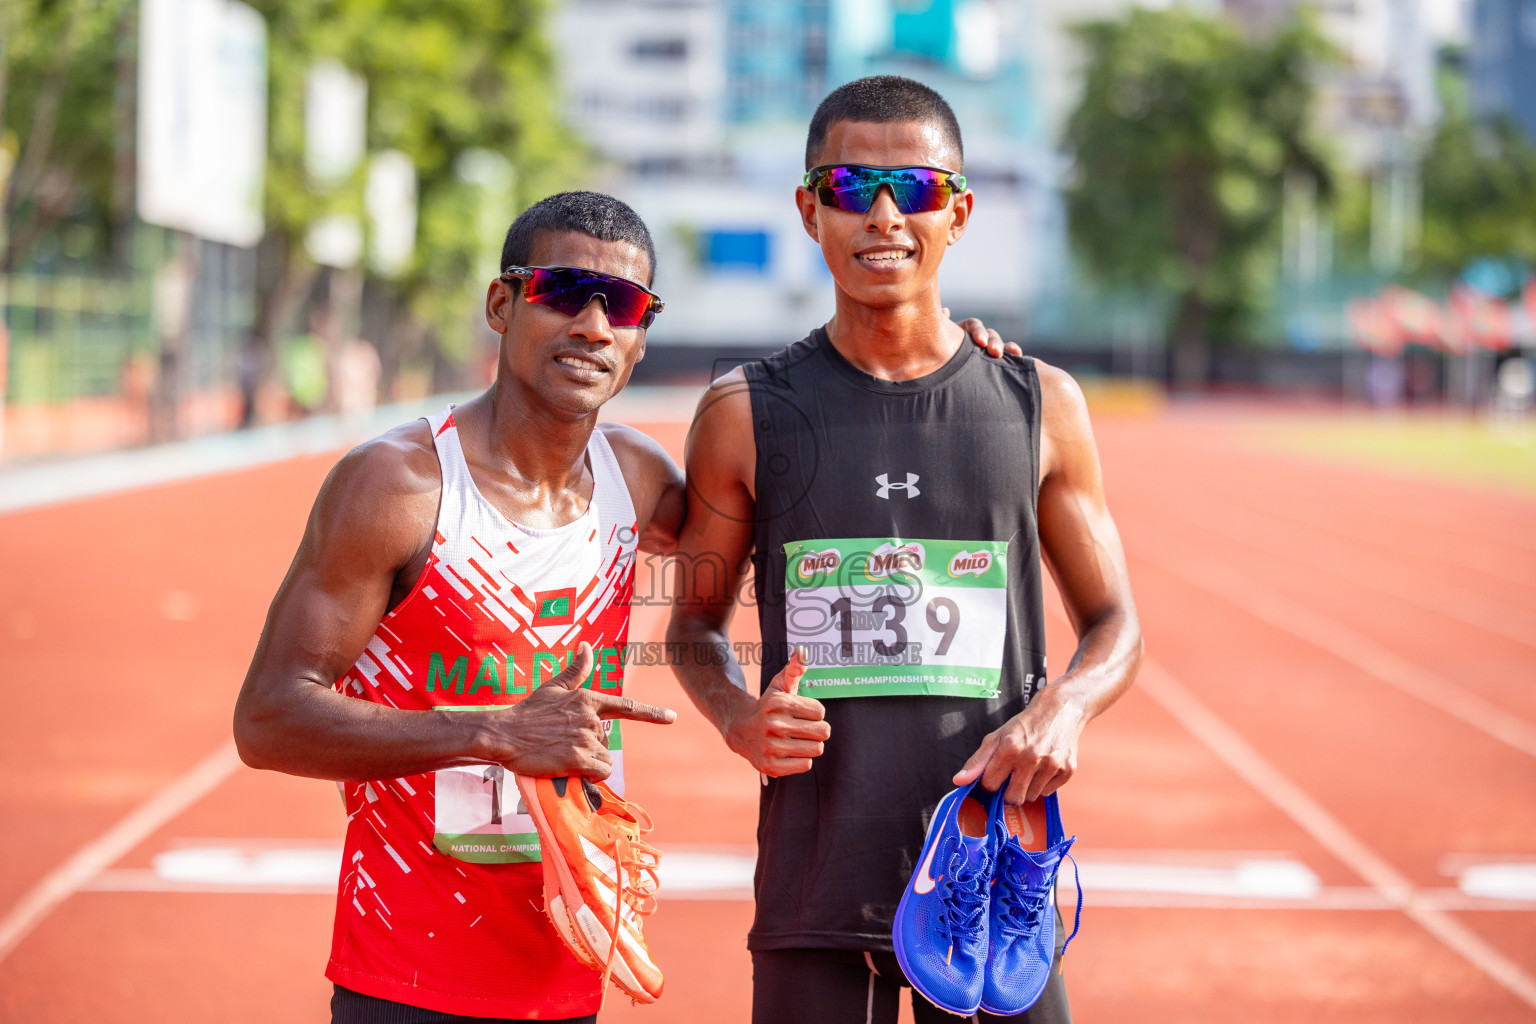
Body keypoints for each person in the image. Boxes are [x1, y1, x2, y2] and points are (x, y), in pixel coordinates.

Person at [666, 76, 1143, 1024]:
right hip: (816, 880)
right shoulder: (743, 413)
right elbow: (691, 628)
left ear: (957, 212)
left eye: (916, 188)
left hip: (992, 883)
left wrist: (1065, 710)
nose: (884, 214)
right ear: (810, 208)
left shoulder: (1040, 404)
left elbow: (1114, 622)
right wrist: (734, 716)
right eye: (851, 187)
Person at [233, 191, 686, 1024]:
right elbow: (266, 719)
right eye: (562, 292)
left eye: (621, 304)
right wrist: (496, 732)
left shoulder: (641, 480)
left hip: (572, 956)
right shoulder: (398, 485)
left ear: (641, 335)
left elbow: (770, 518)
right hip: (409, 974)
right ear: (501, 304)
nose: (592, 325)